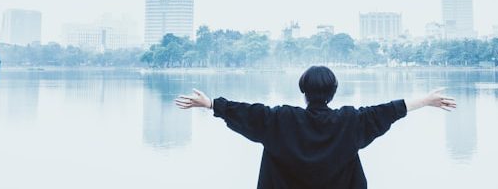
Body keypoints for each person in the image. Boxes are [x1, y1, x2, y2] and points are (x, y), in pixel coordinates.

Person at [175, 66, 457, 189]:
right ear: (334, 91)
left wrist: (211, 104)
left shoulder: (280, 121)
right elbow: (390, 110)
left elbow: (247, 112)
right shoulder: (350, 122)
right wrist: (426, 100)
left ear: (303, 91)